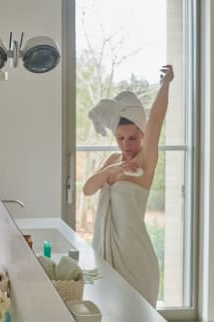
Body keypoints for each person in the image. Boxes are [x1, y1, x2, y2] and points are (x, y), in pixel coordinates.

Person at [82, 65, 174, 307]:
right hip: (105, 257)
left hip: (136, 261)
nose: (126, 144)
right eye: (120, 138)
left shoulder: (145, 161)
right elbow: (87, 189)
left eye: (133, 138)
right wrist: (110, 170)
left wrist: (166, 84)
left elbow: (156, 119)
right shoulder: (112, 161)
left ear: (142, 135)